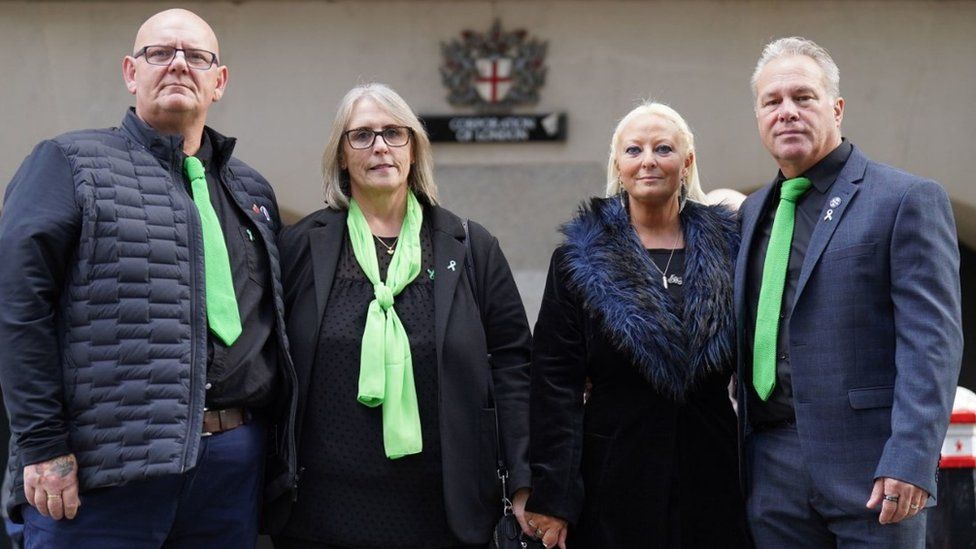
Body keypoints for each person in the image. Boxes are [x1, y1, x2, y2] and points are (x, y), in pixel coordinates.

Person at [0, 9, 297, 548]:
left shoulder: (252, 191)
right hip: (100, 473)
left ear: (219, 81)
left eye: (196, 56)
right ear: (130, 73)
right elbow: (19, 310)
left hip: (232, 468)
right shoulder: (67, 163)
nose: (178, 64)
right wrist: (43, 446)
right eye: (160, 53)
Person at [269, 83, 532, 548]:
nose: (380, 147)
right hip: (322, 512)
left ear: (414, 150)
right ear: (341, 156)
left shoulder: (471, 247)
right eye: (362, 135)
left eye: (394, 133)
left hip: (443, 511)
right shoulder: (300, 246)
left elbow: (514, 367)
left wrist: (525, 477)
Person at [736, 36, 962, 547]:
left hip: (875, 472)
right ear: (758, 116)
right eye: (772, 101)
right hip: (771, 472)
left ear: (836, 108)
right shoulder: (752, 214)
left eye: (803, 97)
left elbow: (933, 344)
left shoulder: (905, 199)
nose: (787, 112)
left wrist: (911, 459)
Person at [524, 102, 750, 548]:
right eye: (634, 150)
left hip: (714, 473)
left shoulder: (732, 248)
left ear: (686, 163)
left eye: (663, 148)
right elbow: (554, 384)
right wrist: (554, 496)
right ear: (618, 165)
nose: (648, 160)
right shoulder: (578, 260)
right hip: (613, 475)